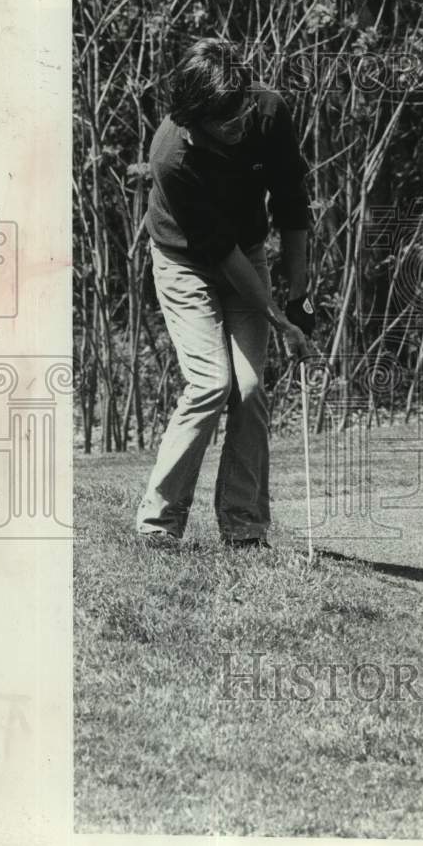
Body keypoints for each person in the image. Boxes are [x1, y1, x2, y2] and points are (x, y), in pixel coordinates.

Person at [135, 38, 315, 548]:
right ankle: (158, 525)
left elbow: (291, 202)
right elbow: (218, 253)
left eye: (237, 121)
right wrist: (277, 318)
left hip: (247, 247)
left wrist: (298, 297)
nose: (232, 133)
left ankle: (244, 529)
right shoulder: (170, 154)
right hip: (184, 260)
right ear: (192, 122)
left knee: (252, 388)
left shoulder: (269, 111)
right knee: (211, 382)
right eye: (219, 129)